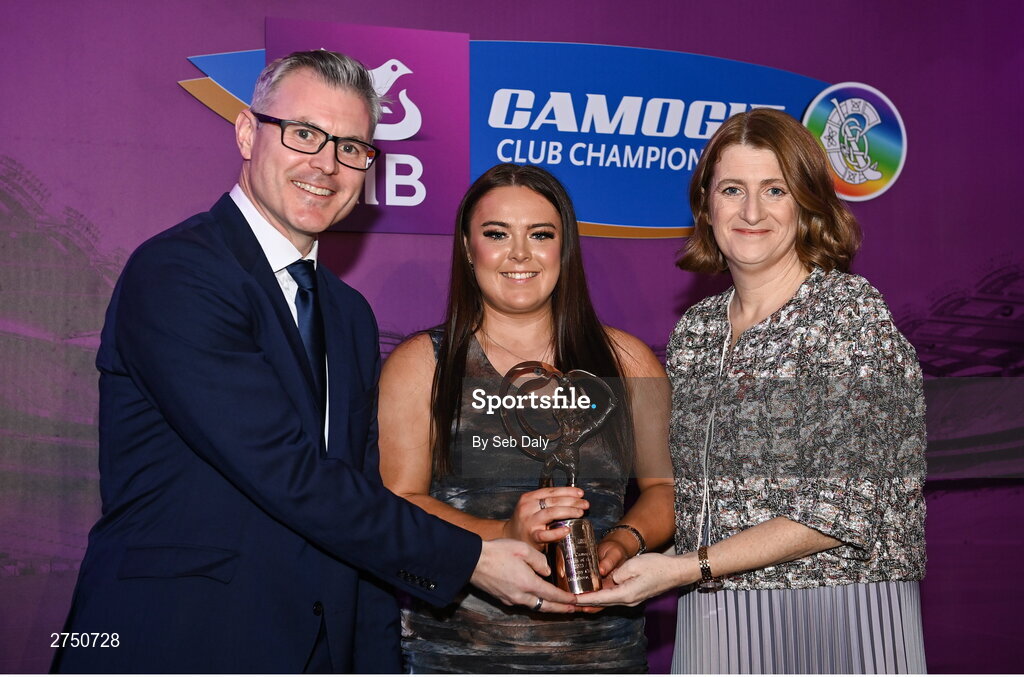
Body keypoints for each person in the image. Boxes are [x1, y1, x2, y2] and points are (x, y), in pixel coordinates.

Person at [52, 51, 575, 674]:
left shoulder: (348, 313)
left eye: (351, 147)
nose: (326, 164)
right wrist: (469, 559)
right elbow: (284, 469)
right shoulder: (179, 273)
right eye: (304, 133)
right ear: (247, 133)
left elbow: (356, 491)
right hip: (177, 637)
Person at [577, 109, 927, 674]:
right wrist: (632, 550)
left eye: (774, 190)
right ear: (706, 205)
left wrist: (685, 567)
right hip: (714, 613)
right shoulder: (697, 331)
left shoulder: (848, 314)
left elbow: (844, 506)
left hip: (835, 612)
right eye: (732, 189)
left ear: (806, 205)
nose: (752, 212)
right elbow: (697, 499)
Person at [378, 163, 675, 672]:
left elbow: (666, 489)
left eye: (540, 234)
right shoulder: (423, 364)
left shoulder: (626, 361)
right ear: (468, 249)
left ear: (564, 248)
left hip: (603, 654)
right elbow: (399, 502)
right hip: (457, 656)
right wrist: (503, 531)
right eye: (497, 234)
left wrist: (620, 544)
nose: (520, 253)